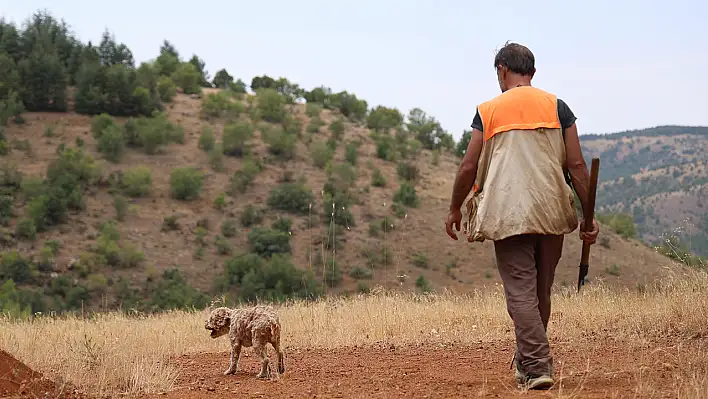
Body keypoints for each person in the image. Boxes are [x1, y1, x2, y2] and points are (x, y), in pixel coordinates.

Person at [445, 41, 600, 390]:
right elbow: (576, 166)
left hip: (508, 212)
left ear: (502, 70)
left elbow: (469, 165)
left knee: (520, 292)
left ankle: (536, 366)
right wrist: (589, 217)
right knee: (540, 290)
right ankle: (528, 360)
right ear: (532, 72)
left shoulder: (488, 111)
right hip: (551, 210)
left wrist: (455, 208)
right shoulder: (557, 107)